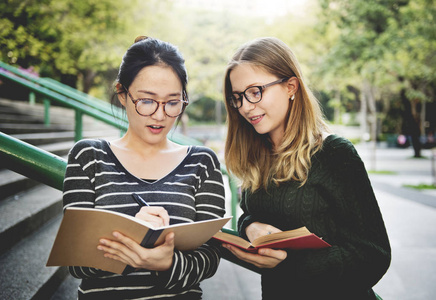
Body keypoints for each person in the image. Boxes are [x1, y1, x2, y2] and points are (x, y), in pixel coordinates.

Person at [221, 37, 391, 300]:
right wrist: (249, 226)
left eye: (255, 91)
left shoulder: (334, 154)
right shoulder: (259, 156)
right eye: (237, 97)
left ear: (291, 86)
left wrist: (288, 264)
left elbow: (373, 254)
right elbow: (255, 214)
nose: (245, 106)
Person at [63, 36, 226, 299]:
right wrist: (133, 235)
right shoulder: (88, 157)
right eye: (147, 101)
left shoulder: (202, 162)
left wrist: (167, 264)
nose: (160, 115)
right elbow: (76, 262)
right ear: (122, 94)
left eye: (173, 102)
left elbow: (209, 257)